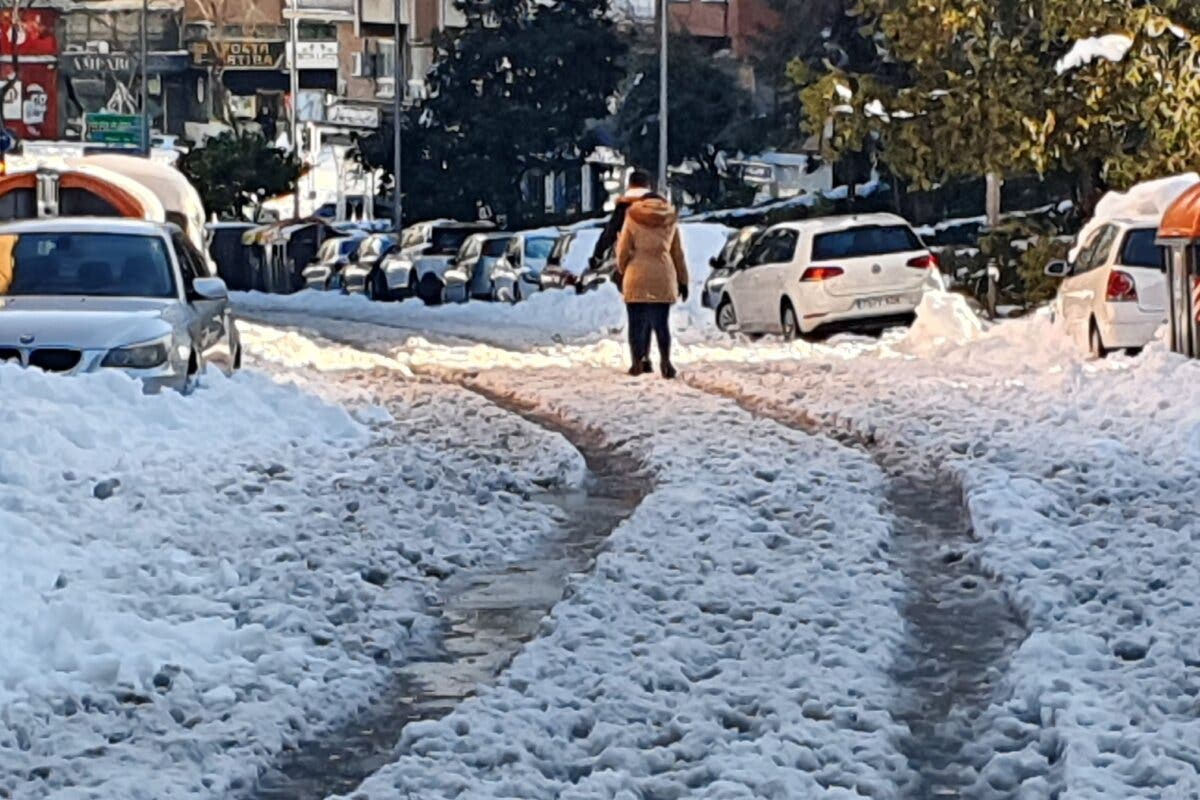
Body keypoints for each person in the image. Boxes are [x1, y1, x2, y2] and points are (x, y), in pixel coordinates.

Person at [616, 188, 689, 379]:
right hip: (662, 274)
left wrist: (622, 269)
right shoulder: (670, 218)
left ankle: (638, 362)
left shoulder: (632, 216)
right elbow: (677, 254)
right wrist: (683, 280)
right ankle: (665, 361)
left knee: (636, 323)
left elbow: (623, 249)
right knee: (661, 323)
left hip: (636, 273)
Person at [589, 170, 658, 280]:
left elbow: (610, 234)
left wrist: (598, 255)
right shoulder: (660, 208)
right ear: (648, 186)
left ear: (630, 185)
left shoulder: (624, 207)